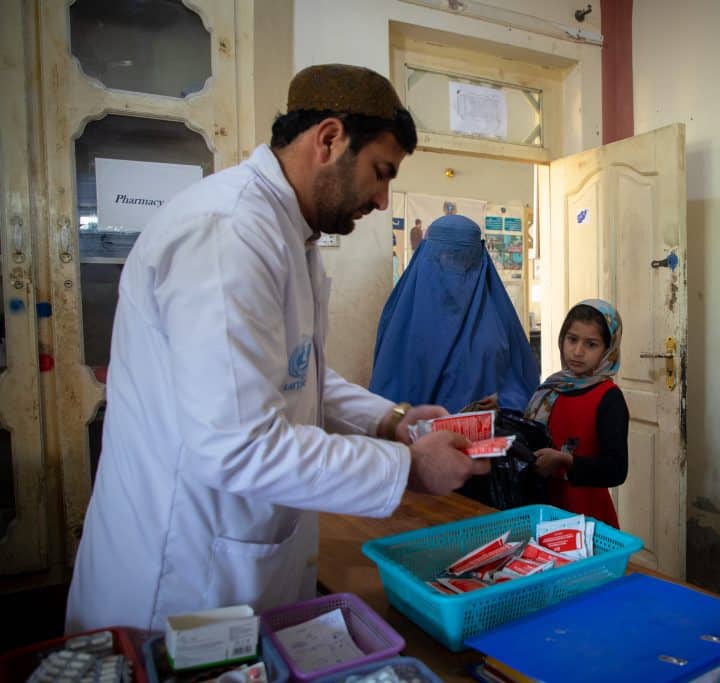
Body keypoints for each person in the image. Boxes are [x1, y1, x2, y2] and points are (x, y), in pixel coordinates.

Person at [65, 64, 489, 632]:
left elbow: (297, 372)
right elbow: (236, 444)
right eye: (380, 172)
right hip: (180, 575)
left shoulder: (289, 233)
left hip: (241, 555)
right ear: (330, 139)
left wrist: (390, 420)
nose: (382, 200)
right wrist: (408, 467)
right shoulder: (229, 232)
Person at [369, 214, 539, 414]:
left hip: (488, 430)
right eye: (445, 258)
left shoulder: (500, 318)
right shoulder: (400, 320)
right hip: (418, 431)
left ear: (480, 257)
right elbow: (385, 396)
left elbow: (523, 386)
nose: (455, 270)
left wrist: (503, 402)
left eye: (464, 259)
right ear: (426, 254)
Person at [523, 299, 629, 528]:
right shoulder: (551, 389)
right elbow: (530, 436)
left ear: (608, 350)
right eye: (572, 339)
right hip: (544, 509)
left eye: (591, 344)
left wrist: (565, 461)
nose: (578, 352)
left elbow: (616, 470)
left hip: (587, 517)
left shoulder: (609, 398)